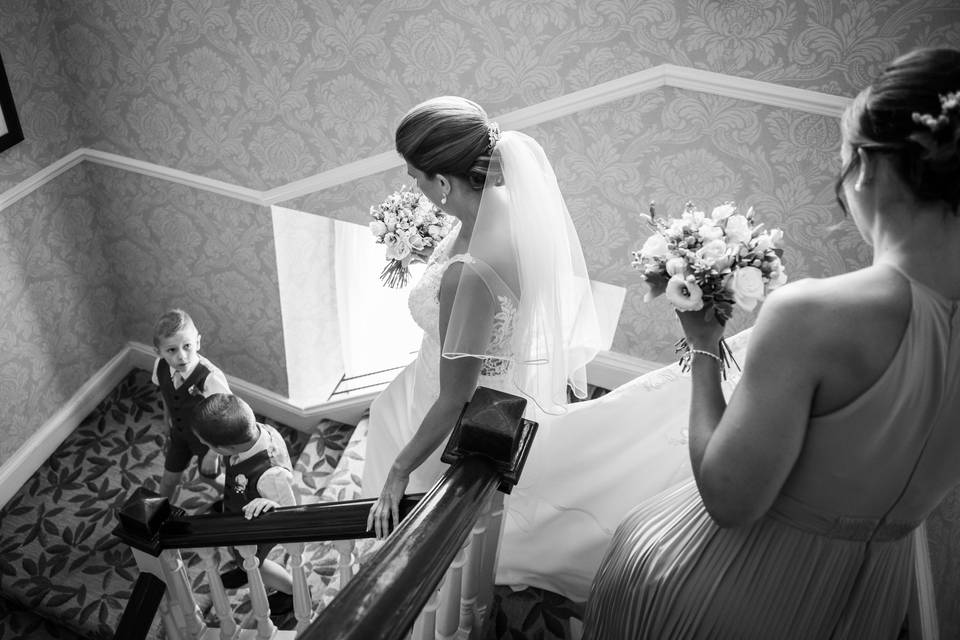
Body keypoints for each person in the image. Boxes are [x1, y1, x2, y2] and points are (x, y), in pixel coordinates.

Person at [583, 47, 960, 639]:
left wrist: (704, 343)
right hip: (872, 605)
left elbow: (729, 500)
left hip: (720, 597)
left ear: (863, 168)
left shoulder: (815, 313)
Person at [193, 393, 299, 615]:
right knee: (237, 551)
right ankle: (244, 566)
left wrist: (269, 503)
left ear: (228, 448)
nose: (203, 446)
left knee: (250, 562)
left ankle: (291, 591)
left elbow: (289, 514)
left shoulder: (271, 476)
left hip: (259, 525)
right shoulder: (254, 429)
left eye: (207, 445)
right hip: (241, 498)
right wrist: (213, 454)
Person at [152, 308, 232, 501]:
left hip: (207, 441)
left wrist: (213, 455)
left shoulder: (211, 378)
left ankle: (241, 497)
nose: (181, 356)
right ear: (159, 352)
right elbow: (165, 393)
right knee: (168, 480)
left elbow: (227, 418)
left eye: (187, 346)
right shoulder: (160, 365)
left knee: (208, 476)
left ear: (197, 341)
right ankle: (159, 517)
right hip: (179, 435)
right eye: (171, 350)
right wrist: (166, 419)